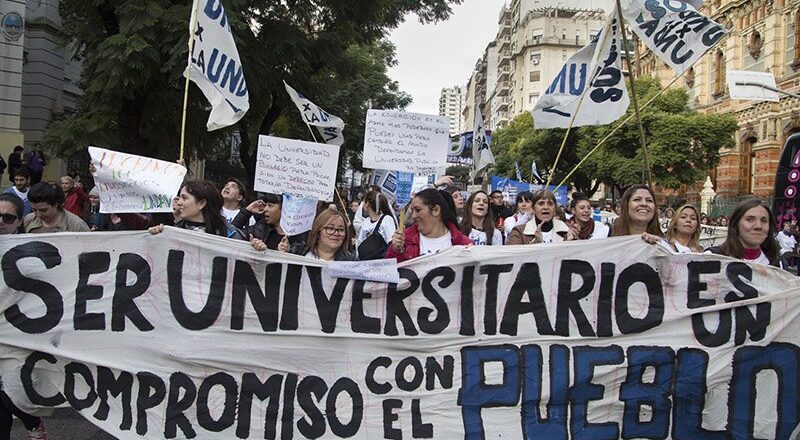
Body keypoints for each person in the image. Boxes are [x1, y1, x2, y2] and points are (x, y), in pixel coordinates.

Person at [0, 193, 49, 440]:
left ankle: (32, 421)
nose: (1, 221)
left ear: (20, 221)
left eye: (8, 218)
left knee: (13, 394)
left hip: (19, 334)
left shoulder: (32, 251)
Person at [387, 188, 472, 262]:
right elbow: (389, 271)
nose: (413, 216)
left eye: (418, 210)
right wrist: (396, 250)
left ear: (436, 210)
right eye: (412, 211)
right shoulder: (404, 241)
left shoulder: (465, 244)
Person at [148, 180, 247, 240]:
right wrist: (157, 237)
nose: (179, 203)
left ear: (201, 203)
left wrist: (254, 247)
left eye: (184, 198)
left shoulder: (231, 236)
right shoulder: (172, 231)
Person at [706, 198, 780, 267]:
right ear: (736, 224)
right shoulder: (712, 257)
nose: (758, 226)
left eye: (764, 221)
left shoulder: (775, 264)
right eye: (750, 220)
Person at [278, 208, 355, 261]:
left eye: (341, 230)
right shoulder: (297, 252)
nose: (336, 233)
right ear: (318, 231)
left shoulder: (352, 263)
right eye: (330, 228)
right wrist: (282, 254)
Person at [24, 182, 90, 233]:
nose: (38, 215)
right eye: (34, 210)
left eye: (43, 210)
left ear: (56, 204)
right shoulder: (29, 220)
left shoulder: (77, 226)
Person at [356, 190, 397, 259]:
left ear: (367, 203)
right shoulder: (365, 222)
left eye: (363, 202)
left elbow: (392, 244)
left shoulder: (386, 219)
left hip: (381, 263)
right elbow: (360, 243)